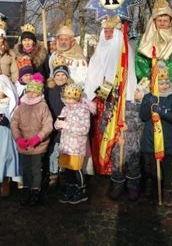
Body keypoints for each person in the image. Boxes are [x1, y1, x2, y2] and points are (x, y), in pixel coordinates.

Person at [84, 17, 138, 175]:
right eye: (105, 31)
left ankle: (112, 169)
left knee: (113, 134)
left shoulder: (123, 50)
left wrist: (105, 92)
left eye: (111, 31)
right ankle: (99, 166)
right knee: (98, 135)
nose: (107, 34)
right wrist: (91, 95)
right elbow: (93, 75)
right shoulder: (99, 50)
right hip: (98, 102)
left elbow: (121, 76)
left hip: (115, 102)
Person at [140, 63, 172, 205]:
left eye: (166, 82)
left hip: (167, 138)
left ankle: (167, 190)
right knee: (150, 165)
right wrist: (149, 105)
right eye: (160, 82)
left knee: (166, 166)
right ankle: (151, 189)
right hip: (151, 137)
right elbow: (143, 116)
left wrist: (162, 111)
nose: (164, 85)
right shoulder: (148, 98)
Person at [11, 73, 53, 206]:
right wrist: (18, 138)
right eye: (29, 91)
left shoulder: (43, 106)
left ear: (39, 93)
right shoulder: (21, 106)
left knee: (35, 169)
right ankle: (27, 190)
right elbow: (14, 123)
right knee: (25, 169)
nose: (31, 94)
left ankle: (36, 191)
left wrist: (38, 138)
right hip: (23, 145)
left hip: (37, 145)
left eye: (34, 92)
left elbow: (48, 125)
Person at [136, 0, 172, 91]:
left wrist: (162, 76)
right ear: (154, 21)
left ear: (170, 22)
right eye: (159, 20)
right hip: (149, 84)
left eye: (165, 21)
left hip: (169, 85)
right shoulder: (143, 41)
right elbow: (140, 62)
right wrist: (151, 77)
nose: (162, 23)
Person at [55, 84, 92, 204]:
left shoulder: (83, 110)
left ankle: (81, 190)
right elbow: (59, 123)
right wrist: (58, 125)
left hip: (76, 146)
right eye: (67, 98)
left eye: (71, 99)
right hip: (65, 145)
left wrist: (67, 126)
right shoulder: (65, 108)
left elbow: (84, 129)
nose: (68, 101)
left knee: (76, 169)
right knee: (67, 169)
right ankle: (71, 188)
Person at [45, 57, 71, 188]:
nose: (60, 77)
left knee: (64, 151)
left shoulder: (71, 90)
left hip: (66, 126)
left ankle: (63, 174)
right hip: (53, 125)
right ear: (53, 76)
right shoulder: (49, 89)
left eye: (63, 75)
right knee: (54, 151)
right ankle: (53, 174)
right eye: (58, 75)